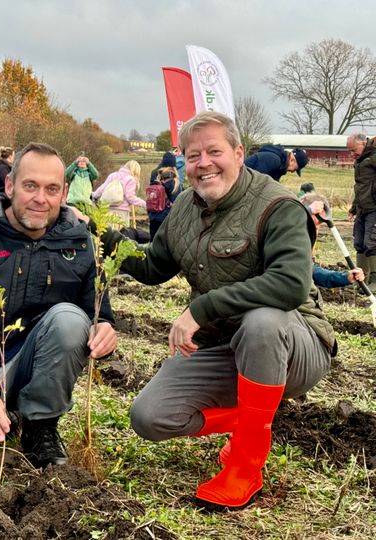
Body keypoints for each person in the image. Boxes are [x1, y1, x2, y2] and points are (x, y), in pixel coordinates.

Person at [104, 111, 335, 510]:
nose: (203, 163)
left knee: (261, 321)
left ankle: (245, 466)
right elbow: (153, 267)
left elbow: (291, 283)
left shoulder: (277, 206)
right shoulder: (183, 209)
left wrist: (201, 308)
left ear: (239, 152)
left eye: (214, 151)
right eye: (193, 156)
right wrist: (103, 237)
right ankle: (250, 418)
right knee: (150, 416)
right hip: (228, 349)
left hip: (298, 344)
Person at [0, 142, 117, 476]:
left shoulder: (80, 241)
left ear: (63, 194)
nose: (40, 199)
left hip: (37, 361)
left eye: (52, 189)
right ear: (10, 186)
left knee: (71, 321)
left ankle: (39, 425)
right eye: (30, 186)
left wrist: (104, 328)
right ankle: (3, 412)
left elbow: (98, 310)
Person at [301, 193, 365, 288]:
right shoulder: (284, 233)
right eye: (312, 222)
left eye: (319, 224)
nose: (316, 228)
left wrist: (345, 277)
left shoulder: (305, 240)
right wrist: (307, 211)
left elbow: (311, 271)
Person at [346, 133, 376, 291]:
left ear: (363, 143)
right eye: (349, 151)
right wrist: (353, 207)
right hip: (362, 208)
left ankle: (375, 281)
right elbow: (360, 187)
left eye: (353, 150)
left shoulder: (374, 157)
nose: (352, 154)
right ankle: (362, 279)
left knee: (372, 243)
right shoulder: (360, 161)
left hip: (374, 208)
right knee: (359, 243)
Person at [147, 164, 182, 239]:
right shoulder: (174, 184)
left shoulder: (154, 185)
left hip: (153, 219)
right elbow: (178, 204)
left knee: (152, 244)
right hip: (166, 220)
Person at [244, 144, 309, 182]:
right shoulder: (273, 159)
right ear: (292, 160)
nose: (292, 172)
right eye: (295, 169)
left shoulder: (279, 164)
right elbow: (256, 183)